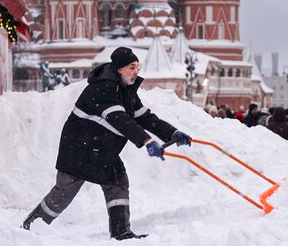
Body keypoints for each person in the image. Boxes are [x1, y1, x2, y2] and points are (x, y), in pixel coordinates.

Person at [22, 47, 192, 240]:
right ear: (119, 69)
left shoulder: (127, 91)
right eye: (132, 67)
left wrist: (172, 133)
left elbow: (145, 117)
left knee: (118, 181)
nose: (136, 71)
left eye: (137, 67)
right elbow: (119, 119)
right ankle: (28, 230)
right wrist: (147, 141)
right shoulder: (103, 88)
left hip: (101, 148)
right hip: (79, 147)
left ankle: (121, 232)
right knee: (65, 191)